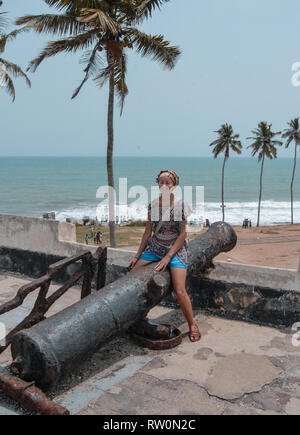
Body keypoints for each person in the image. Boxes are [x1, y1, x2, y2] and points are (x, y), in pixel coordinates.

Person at [128, 169, 201, 342]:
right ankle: (139, 317)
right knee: (131, 277)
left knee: (179, 289)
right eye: (161, 182)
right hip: (155, 247)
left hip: (174, 249)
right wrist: (137, 255)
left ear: (174, 185)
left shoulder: (180, 205)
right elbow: (148, 232)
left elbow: (182, 234)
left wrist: (168, 257)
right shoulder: (153, 205)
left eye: (168, 182)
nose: (164, 185)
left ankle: (192, 324)